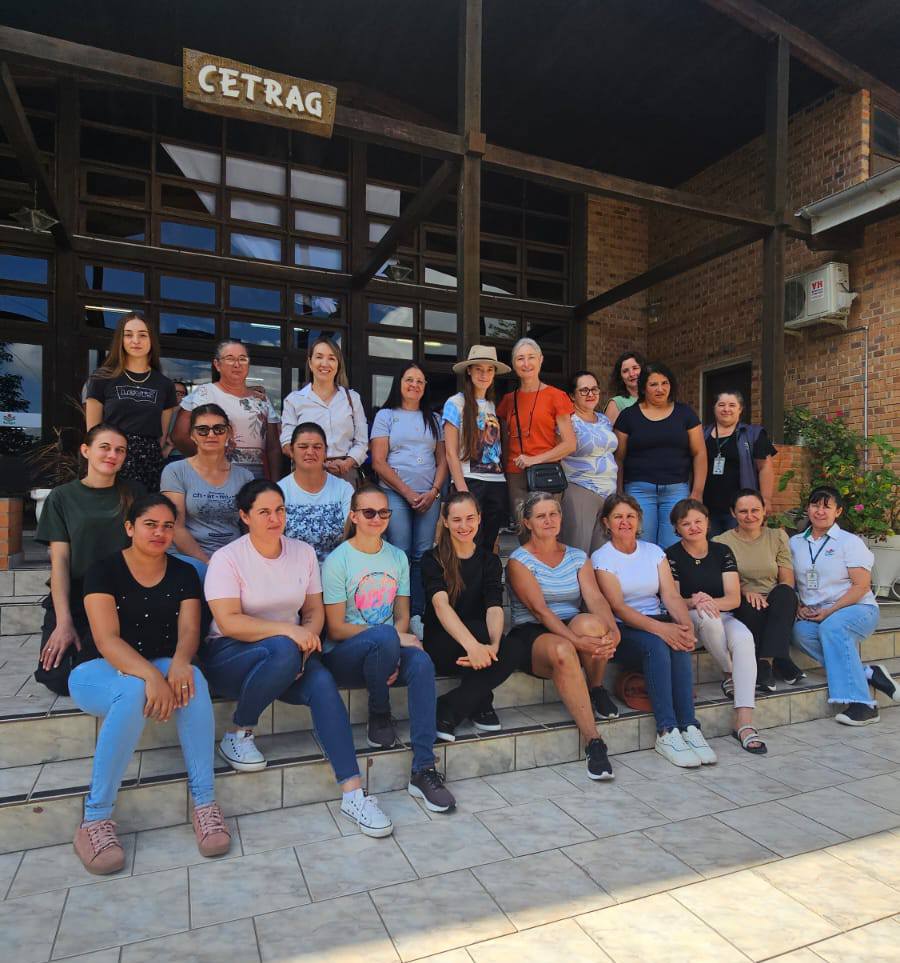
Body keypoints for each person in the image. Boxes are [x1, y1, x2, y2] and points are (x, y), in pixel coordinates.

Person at [200, 480, 393, 837]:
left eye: (280, 510)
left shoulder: (302, 552)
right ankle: (239, 731)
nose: (275, 519)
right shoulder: (228, 558)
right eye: (264, 512)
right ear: (244, 516)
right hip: (231, 657)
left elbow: (314, 612)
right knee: (285, 649)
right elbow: (229, 622)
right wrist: (291, 634)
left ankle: (353, 794)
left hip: (290, 656)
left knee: (322, 684)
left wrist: (305, 640)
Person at [69, 494, 231, 874]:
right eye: (150, 524)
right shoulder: (104, 570)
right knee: (132, 691)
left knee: (194, 682)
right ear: (129, 527)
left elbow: (190, 629)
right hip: (99, 670)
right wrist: (153, 676)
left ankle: (205, 804)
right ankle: (94, 820)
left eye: (167, 526)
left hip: (160, 660)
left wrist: (178, 663)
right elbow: (107, 640)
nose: (160, 532)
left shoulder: (184, 572)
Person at [321, 484, 456, 813]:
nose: (377, 518)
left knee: (422, 663)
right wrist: (391, 641)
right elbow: (336, 627)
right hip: (344, 654)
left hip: (386, 647)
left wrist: (392, 646)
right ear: (353, 516)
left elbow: (402, 616)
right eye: (369, 512)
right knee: (383, 637)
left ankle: (423, 768)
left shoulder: (396, 557)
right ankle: (379, 711)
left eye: (384, 512)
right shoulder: (338, 560)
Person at [594, 493, 716, 768]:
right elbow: (618, 607)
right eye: (618, 517)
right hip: (624, 628)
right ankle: (666, 731)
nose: (625, 522)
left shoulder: (654, 552)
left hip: (656, 619)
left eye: (630, 516)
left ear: (639, 521)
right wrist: (663, 630)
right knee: (659, 644)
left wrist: (683, 628)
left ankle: (689, 726)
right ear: (606, 522)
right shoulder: (602, 557)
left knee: (679, 642)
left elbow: (671, 596)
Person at [505, 492, 620, 780]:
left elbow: (595, 598)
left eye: (553, 514)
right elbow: (540, 611)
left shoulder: (577, 556)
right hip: (532, 632)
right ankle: (594, 741)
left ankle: (595, 687)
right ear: (527, 523)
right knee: (563, 650)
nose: (549, 520)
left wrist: (613, 631)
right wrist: (576, 641)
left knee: (595, 625)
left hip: (570, 623)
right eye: (541, 516)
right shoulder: (519, 560)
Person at [34, 425, 143, 696]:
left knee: (96, 663)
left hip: (121, 594)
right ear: (86, 450)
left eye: (120, 450)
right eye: (104, 447)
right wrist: (63, 622)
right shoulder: (62, 497)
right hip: (77, 593)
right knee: (56, 677)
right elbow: (59, 561)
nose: (112, 455)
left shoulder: (134, 494)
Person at [790, 486, 899, 726]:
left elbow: (861, 586)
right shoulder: (795, 543)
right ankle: (868, 673)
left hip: (857, 609)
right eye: (815, 505)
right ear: (808, 509)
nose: (820, 511)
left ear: (838, 512)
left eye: (826, 507)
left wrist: (829, 612)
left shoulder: (850, 543)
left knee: (832, 628)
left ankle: (864, 705)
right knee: (799, 633)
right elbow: (791, 582)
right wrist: (799, 606)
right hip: (817, 613)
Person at [666, 498, 765, 754]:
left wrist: (709, 601)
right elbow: (673, 599)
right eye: (685, 523)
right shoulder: (671, 555)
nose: (694, 527)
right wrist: (695, 601)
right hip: (690, 618)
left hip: (722, 613)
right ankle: (730, 672)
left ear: (708, 522)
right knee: (708, 618)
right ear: (677, 528)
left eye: (698, 521)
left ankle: (744, 722)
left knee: (744, 640)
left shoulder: (722, 551)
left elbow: (733, 597)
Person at [423, 491, 521, 741]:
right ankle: (481, 701)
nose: (464, 526)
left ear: (479, 518)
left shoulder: (489, 560)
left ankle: (451, 706)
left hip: (479, 642)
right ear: (445, 521)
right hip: (443, 643)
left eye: (470, 518)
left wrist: (494, 646)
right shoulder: (432, 559)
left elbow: (494, 605)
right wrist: (474, 646)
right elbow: (441, 606)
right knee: (478, 631)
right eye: (456, 520)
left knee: (511, 647)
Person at [371, 363, 448, 633]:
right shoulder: (386, 415)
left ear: (425, 386)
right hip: (395, 493)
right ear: (399, 383)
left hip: (429, 495)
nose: (414, 385)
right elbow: (379, 462)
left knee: (423, 554)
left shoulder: (434, 419)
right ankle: (394, 610)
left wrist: (434, 492)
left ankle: (417, 613)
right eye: (409, 379)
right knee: (400, 552)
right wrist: (408, 493)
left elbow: (442, 460)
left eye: (420, 381)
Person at [714, 489, 804, 692]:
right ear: (733, 513)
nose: (750, 516)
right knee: (752, 607)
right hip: (742, 598)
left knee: (786, 594)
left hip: (775, 598)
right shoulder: (721, 542)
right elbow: (723, 580)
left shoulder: (777, 536)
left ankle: (765, 661)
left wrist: (772, 599)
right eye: (743, 511)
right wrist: (746, 592)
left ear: (764, 511)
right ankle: (781, 659)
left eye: (755, 510)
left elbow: (787, 578)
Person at [613, 361, 706, 549]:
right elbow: (618, 459)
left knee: (673, 546)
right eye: (653, 384)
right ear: (643, 388)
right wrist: (619, 492)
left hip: (676, 490)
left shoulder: (685, 414)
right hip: (639, 490)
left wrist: (697, 492)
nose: (660, 389)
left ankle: (670, 580)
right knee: (641, 544)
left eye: (665, 383)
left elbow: (700, 453)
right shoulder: (628, 417)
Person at [84, 312, 177, 491]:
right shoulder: (101, 378)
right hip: (111, 458)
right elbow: (93, 434)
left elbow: (161, 435)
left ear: (152, 340)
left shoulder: (164, 385)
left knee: (143, 515)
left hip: (148, 463)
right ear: (121, 339)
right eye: (128, 335)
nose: (135, 340)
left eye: (143, 334)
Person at [160, 404, 253, 581]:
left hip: (233, 557)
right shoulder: (175, 471)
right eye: (202, 430)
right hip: (188, 559)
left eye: (218, 429)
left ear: (229, 433)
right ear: (192, 435)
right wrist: (208, 563)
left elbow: (249, 528)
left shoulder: (245, 476)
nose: (211, 435)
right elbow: (175, 527)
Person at [497, 338, 577, 540]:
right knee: (524, 533)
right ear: (514, 364)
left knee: (547, 533)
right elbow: (505, 442)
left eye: (531, 357)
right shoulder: (508, 400)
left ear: (541, 360)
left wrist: (534, 459)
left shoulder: (556, 396)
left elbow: (570, 444)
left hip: (546, 473)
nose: (526, 363)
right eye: (520, 358)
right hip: (516, 475)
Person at [172, 340, 281, 480]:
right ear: (217, 364)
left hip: (256, 478)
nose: (237, 364)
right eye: (230, 358)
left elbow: (273, 447)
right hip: (215, 476)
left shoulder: (261, 400)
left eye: (242, 359)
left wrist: (275, 483)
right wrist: (206, 461)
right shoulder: (204, 393)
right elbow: (179, 435)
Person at [442, 345, 510, 553]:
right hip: (469, 481)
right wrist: (463, 490)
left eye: (489, 370)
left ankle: (485, 585)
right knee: (466, 544)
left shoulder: (494, 405)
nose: (484, 374)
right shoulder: (455, 403)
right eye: (478, 369)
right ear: (469, 371)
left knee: (488, 544)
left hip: (496, 483)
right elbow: (450, 452)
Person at [280, 336, 367, 485]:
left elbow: (362, 442)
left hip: (345, 475)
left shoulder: (352, 398)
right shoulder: (294, 400)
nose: (324, 363)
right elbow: (287, 443)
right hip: (306, 474)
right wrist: (315, 462)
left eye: (332, 358)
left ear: (338, 364)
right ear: (310, 362)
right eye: (319, 357)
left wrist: (347, 463)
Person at [703, 391, 777, 536]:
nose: (726, 409)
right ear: (714, 408)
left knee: (739, 548)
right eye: (721, 405)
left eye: (732, 405)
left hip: (741, 508)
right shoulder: (702, 433)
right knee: (712, 550)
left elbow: (765, 467)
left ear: (740, 409)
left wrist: (766, 499)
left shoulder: (753, 433)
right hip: (707, 506)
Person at [560, 369, 618, 555]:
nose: (591, 394)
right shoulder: (567, 421)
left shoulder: (604, 420)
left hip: (608, 493)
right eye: (584, 390)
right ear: (572, 396)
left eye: (594, 389)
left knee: (602, 553)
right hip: (580, 489)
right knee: (578, 550)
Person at [278, 422, 353, 563]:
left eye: (317, 447)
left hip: (335, 571)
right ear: (292, 452)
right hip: (292, 571)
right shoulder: (279, 491)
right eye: (303, 447)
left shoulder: (344, 489)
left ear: (325, 452)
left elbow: (351, 538)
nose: (310, 452)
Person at [603, 350, 645, 425]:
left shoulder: (653, 399)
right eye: (625, 371)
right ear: (620, 377)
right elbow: (607, 435)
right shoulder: (616, 403)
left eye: (635, 368)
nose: (631, 374)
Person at [162, 379, 189, 463]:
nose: (177, 395)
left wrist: (170, 446)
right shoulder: (159, 411)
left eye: (181, 393)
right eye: (173, 392)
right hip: (158, 455)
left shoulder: (189, 414)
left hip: (180, 456)